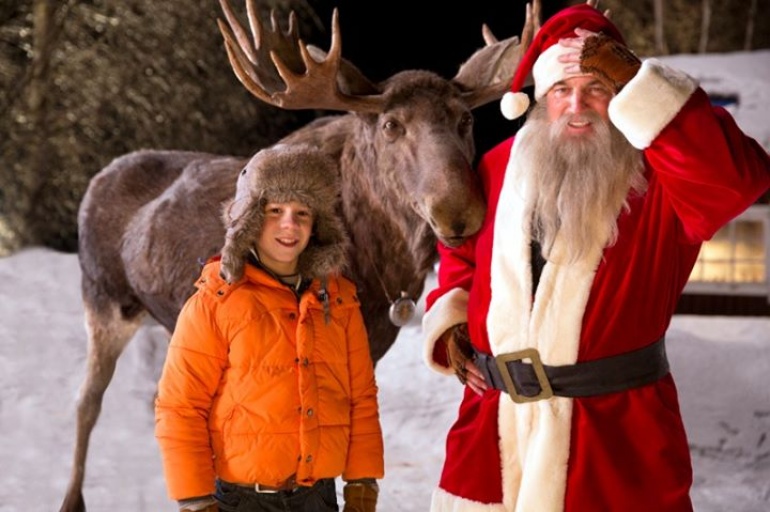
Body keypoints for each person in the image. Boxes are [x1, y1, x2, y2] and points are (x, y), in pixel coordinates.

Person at [420, 2, 770, 512]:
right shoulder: (499, 167)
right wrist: (452, 322)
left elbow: (737, 180)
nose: (577, 104)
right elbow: (462, 250)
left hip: (613, 437)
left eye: (596, 89)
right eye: (562, 90)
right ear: (541, 101)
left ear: (622, 97)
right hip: (494, 433)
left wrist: (646, 85)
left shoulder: (662, 176)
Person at [154, 144, 384, 512]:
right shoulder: (216, 300)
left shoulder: (340, 301)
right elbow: (180, 407)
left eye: (302, 213)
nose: (289, 224)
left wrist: (362, 485)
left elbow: (361, 398)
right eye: (275, 210)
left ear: (317, 225)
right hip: (240, 500)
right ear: (250, 219)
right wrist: (196, 501)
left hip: (317, 498)